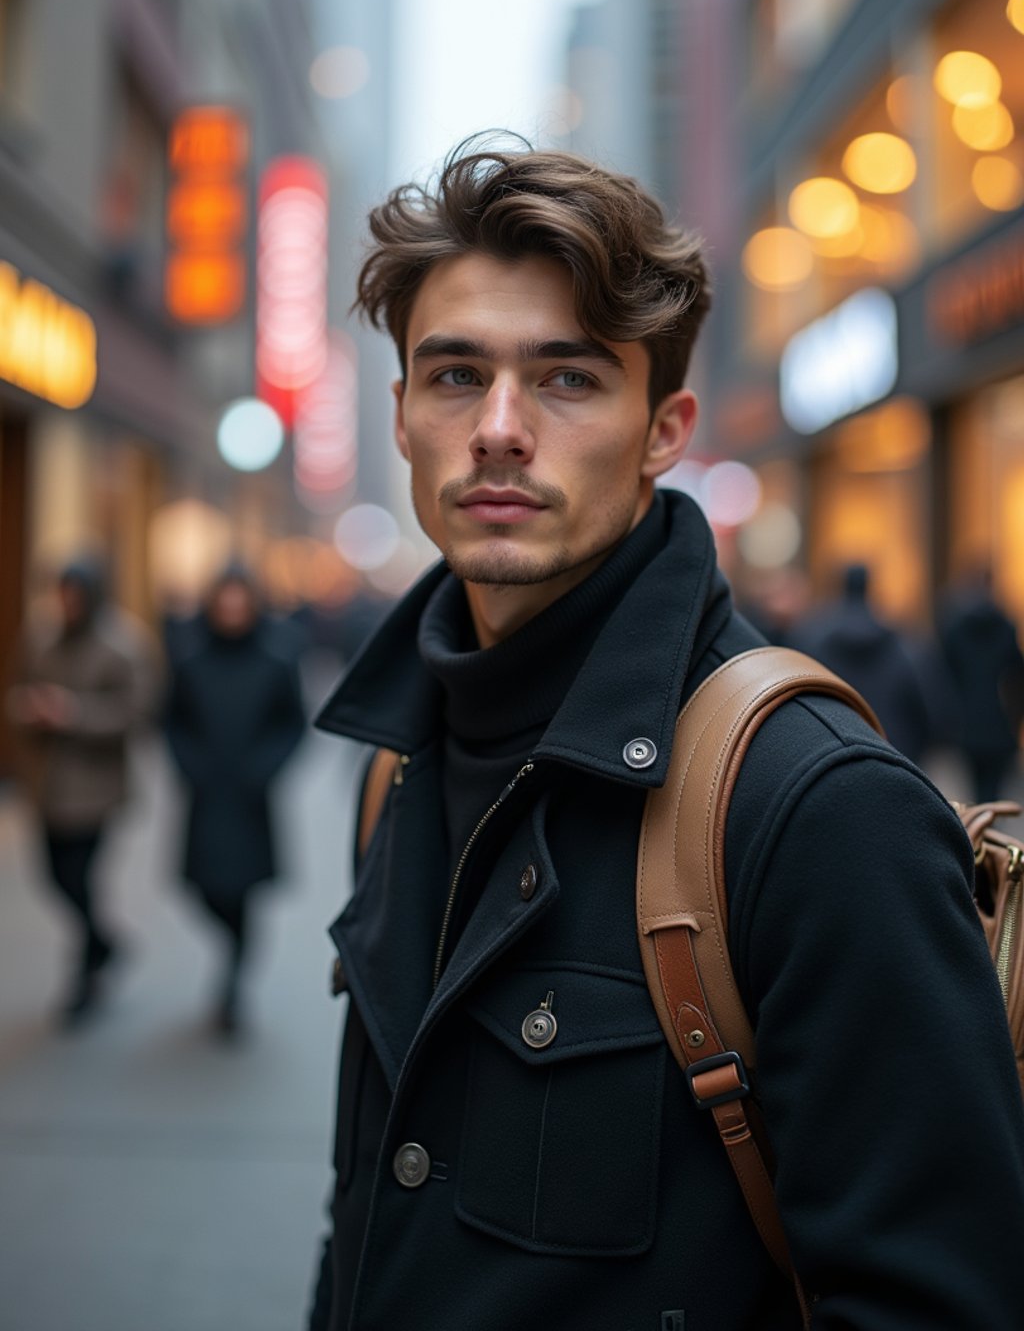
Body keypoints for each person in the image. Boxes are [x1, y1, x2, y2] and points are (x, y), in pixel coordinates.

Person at [307, 139, 1024, 1331]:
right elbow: (367, 1216)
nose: (496, 427)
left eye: (567, 378)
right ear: (399, 416)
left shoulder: (812, 807)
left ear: (663, 427)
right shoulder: (395, 763)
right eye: (452, 376)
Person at [5, 558, 155, 1025]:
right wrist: (30, 710)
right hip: (47, 786)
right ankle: (105, 943)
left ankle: (84, 975)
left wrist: (72, 714)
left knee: (81, 878)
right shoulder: (40, 638)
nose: (68, 603)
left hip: (96, 790)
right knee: (54, 877)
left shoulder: (123, 644)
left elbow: (135, 713)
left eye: (76, 594)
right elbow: (14, 691)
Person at [165, 565, 306, 1036]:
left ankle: (233, 987)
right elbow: (171, 720)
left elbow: (293, 724)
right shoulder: (190, 659)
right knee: (203, 889)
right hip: (206, 796)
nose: (231, 610)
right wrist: (190, 766)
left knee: (243, 893)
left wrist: (265, 769)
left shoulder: (276, 660)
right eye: (223, 601)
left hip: (249, 798)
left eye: (239, 600)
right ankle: (231, 951)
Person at [791, 561, 935, 764]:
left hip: (830, 756)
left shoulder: (811, 638)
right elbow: (922, 703)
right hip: (895, 752)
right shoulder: (900, 641)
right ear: (869, 585)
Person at [939, 566, 1024, 801]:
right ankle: (988, 829)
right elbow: (1018, 677)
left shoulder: (956, 630)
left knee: (976, 792)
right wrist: (1015, 718)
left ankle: (980, 831)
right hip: (1000, 725)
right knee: (993, 793)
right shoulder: (1005, 628)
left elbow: (944, 679)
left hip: (967, 725)